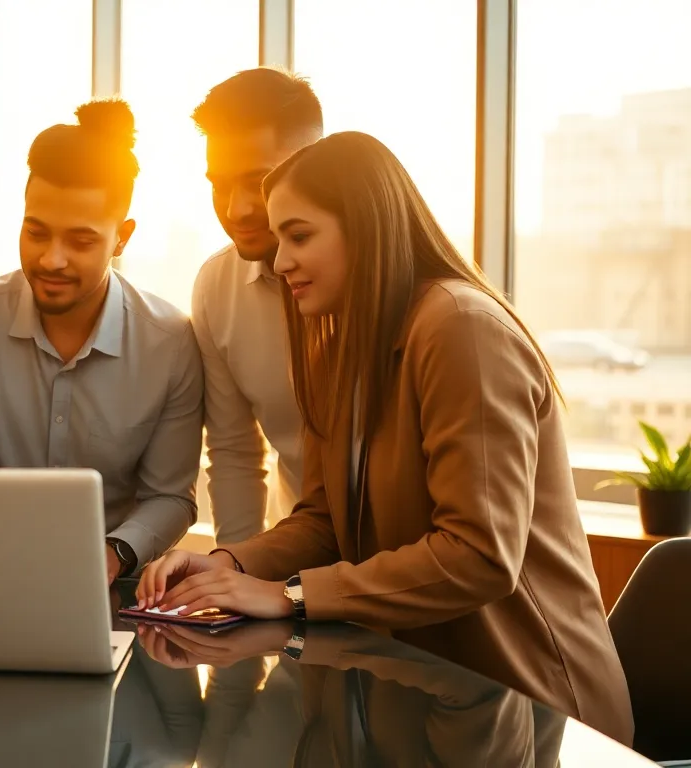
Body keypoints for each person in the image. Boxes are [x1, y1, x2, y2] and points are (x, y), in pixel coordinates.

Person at [136, 132, 633, 744]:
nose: (279, 259)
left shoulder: (461, 328)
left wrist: (285, 595)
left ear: (366, 227)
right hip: (420, 693)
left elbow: (478, 556)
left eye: (299, 235)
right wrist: (228, 565)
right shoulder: (341, 342)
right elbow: (325, 520)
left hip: (530, 709)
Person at [0, 99, 204, 583]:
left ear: (121, 238)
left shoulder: (170, 342)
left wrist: (111, 554)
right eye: (36, 232)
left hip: (112, 591)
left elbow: (170, 496)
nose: (51, 260)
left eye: (80, 242)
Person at [191, 68, 323, 546]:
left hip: (416, 566)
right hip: (305, 556)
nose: (237, 208)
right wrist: (236, 572)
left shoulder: (391, 283)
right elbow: (234, 452)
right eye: (219, 184)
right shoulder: (217, 287)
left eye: (259, 181)